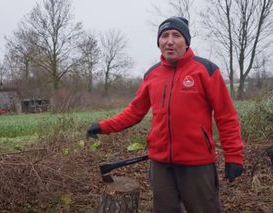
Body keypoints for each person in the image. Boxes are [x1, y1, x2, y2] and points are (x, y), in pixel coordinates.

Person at [86, 16, 244, 213]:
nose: (169, 41)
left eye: (176, 35)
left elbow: (226, 116)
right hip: (160, 165)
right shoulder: (152, 75)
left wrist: (234, 157)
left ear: (186, 42)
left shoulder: (206, 70)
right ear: (159, 42)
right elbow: (134, 112)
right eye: (164, 36)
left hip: (197, 164)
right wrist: (103, 126)